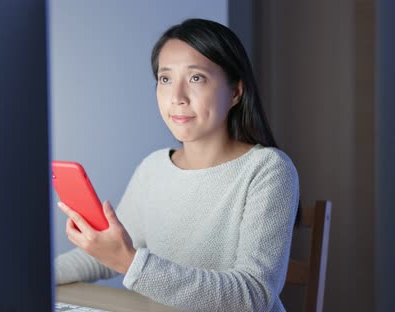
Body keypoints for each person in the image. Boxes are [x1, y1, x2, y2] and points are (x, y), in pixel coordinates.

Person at [55, 18, 299, 312]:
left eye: (196, 78)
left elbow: (253, 295)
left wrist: (130, 262)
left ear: (235, 92)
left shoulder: (268, 169)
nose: (177, 98)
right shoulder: (154, 168)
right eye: (165, 79)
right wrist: (31, 275)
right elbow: (101, 255)